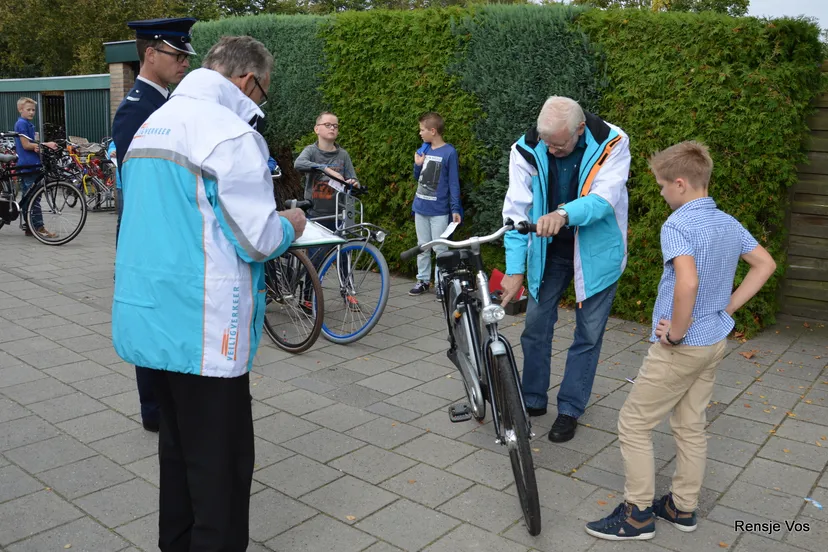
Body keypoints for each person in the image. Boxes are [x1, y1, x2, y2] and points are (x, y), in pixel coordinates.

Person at [112, 35, 306, 550]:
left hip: (152, 318)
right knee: (221, 467)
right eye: (262, 93)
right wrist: (292, 223)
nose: (260, 103)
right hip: (206, 328)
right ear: (248, 81)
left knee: (176, 456)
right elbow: (257, 239)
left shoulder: (154, 123)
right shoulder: (229, 133)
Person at [586, 141, 776, 541]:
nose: (659, 192)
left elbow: (687, 281)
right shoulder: (726, 222)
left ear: (680, 184)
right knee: (691, 425)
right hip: (713, 343)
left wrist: (675, 333)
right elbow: (765, 264)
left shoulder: (678, 225)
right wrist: (726, 308)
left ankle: (637, 514)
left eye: (660, 185)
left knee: (633, 424)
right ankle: (682, 507)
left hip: (683, 346)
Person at [500, 96, 630, 443]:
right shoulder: (526, 149)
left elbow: (605, 199)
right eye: (546, 142)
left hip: (597, 252)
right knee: (535, 325)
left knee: (587, 335)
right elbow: (515, 211)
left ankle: (570, 409)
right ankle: (532, 399)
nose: (551, 150)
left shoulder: (614, 142)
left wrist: (562, 214)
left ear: (580, 130)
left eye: (558, 145)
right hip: (549, 252)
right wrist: (515, 270)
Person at [111, 17, 197, 433]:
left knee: (168, 318)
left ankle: (172, 404)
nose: (184, 62)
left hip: (168, 232)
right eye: (177, 54)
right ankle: (156, 413)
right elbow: (142, 184)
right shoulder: (136, 110)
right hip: (148, 235)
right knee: (149, 322)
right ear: (150, 54)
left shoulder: (165, 104)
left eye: (185, 55)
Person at [410, 112, 462, 298]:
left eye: (422, 130)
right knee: (422, 246)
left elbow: (453, 183)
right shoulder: (423, 150)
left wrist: (455, 208)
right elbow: (419, 178)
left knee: (440, 247)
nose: (420, 133)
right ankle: (423, 280)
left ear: (433, 131)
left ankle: (442, 284)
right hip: (421, 207)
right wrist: (418, 165)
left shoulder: (449, 152)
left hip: (439, 210)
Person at [295, 111, 359, 226]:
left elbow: (354, 181)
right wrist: (325, 169)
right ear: (316, 129)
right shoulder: (311, 151)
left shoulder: (343, 155)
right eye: (328, 125)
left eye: (335, 126)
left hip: (337, 216)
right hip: (313, 214)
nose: (332, 128)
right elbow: (298, 164)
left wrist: (352, 184)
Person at [13, 97, 58, 238]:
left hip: (33, 163)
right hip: (28, 164)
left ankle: (29, 226)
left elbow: (32, 144)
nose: (32, 112)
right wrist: (44, 145)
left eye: (33, 110)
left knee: (31, 197)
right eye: (28, 109)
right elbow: (26, 145)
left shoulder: (28, 124)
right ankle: (38, 227)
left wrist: (42, 145)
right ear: (21, 110)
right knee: (33, 197)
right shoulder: (21, 123)